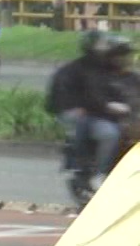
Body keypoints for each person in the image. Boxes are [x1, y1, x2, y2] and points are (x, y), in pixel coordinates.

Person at [49, 30, 137, 200]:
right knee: (110, 134)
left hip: (114, 115)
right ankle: (99, 173)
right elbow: (92, 97)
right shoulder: (82, 71)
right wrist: (110, 106)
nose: (124, 60)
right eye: (120, 55)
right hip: (94, 115)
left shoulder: (128, 76)